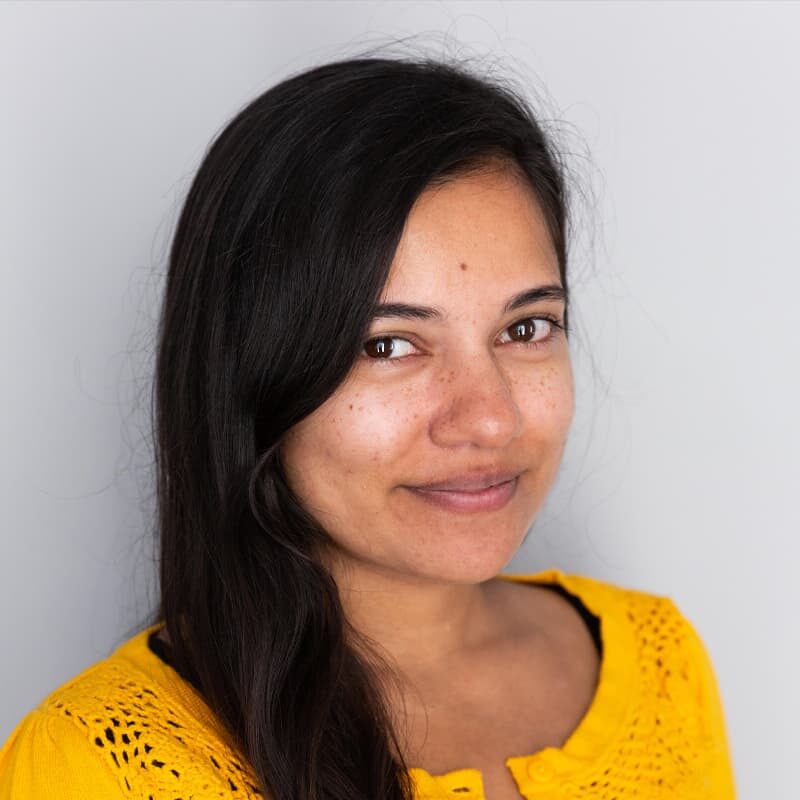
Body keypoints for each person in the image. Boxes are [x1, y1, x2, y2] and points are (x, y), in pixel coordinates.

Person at [0, 54, 736, 800]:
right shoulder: (95, 766)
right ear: (254, 375)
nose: (490, 417)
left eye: (527, 327)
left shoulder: (659, 664)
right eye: (388, 345)